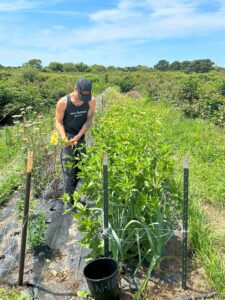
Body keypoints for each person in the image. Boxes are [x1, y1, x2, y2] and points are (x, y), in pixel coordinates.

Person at [56, 78, 96, 204]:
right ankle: (69, 201)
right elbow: (58, 121)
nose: (82, 99)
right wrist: (64, 138)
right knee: (69, 170)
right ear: (75, 89)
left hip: (80, 137)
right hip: (67, 138)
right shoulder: (63, 102)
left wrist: (79, 136)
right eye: (80, 96)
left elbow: (89, 119)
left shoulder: (91, 101)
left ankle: (75, 195)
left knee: (81, 168)